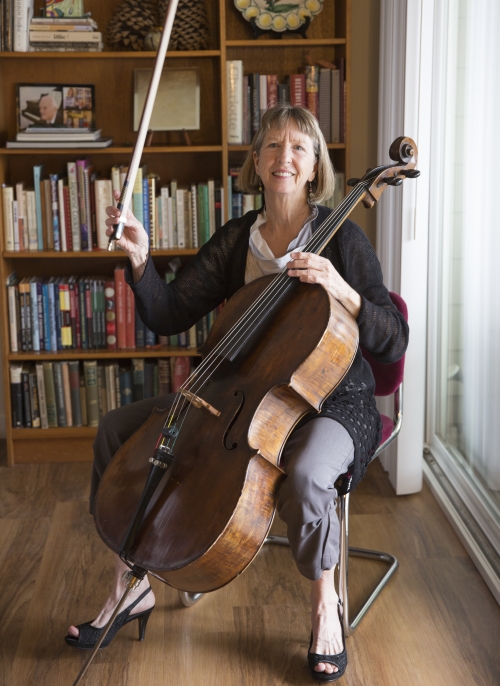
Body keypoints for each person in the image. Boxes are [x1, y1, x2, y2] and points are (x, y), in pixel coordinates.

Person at [66, 103, 408, 681]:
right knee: (118, 431)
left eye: (298, 146)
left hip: (329, 399)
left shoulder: (342, 238)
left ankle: (326, 603)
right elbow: (171, 313)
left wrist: (342, 289)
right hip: (237, 396)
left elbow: (393, 341)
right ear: (256, 161)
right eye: (273, 145)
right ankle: (129, 585)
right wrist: (142, 257)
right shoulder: (237, 239)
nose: (284, 157)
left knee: (304, 475)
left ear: (314, 163)